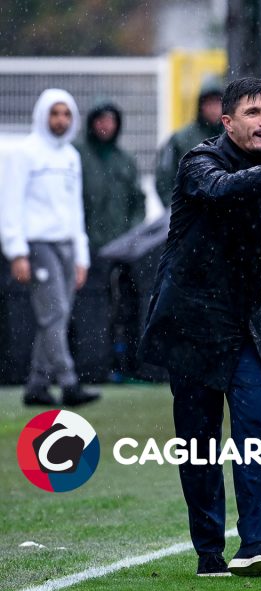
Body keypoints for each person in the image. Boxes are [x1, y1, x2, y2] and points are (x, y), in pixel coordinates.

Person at [138, 77, 261, 577]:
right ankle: (209, 551)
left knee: (256, 429)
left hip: (246, 323)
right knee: (199, 444)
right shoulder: (199, 163)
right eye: (253, 112)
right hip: (192, 323)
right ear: (227, 122)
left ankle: (257, 545)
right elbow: (221, 191)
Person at [0, 89, 100, 407]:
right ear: (43, 115)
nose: (60, 120)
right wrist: (17, 251)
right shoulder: (24, 153)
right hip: (38, 244)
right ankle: (69, 382)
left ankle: (37, 385)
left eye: (66, 114)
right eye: (55, 113)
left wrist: (81, 255)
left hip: (67, 245)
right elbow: (10, 203)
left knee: (57, 316)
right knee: (54, 313)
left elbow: (75, 209)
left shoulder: (71, 156)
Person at [72, 100, 146, 382]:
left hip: (120, 251)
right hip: (87, 249)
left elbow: (137, 200)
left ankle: (121, 364)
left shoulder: (124, 159)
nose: (106, 126)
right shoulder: (78, 155)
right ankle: (90, 366)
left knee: (122, 308)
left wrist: (132, 236)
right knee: (89, 310)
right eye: (101, 120)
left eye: (111, 120)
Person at [155, 79, 223, 208]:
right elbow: (164, 179)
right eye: (209, 103)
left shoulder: (234, 136)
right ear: (201, 106)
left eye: (218, 102)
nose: (214, 109)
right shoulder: (180, 139)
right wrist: (177, 209)